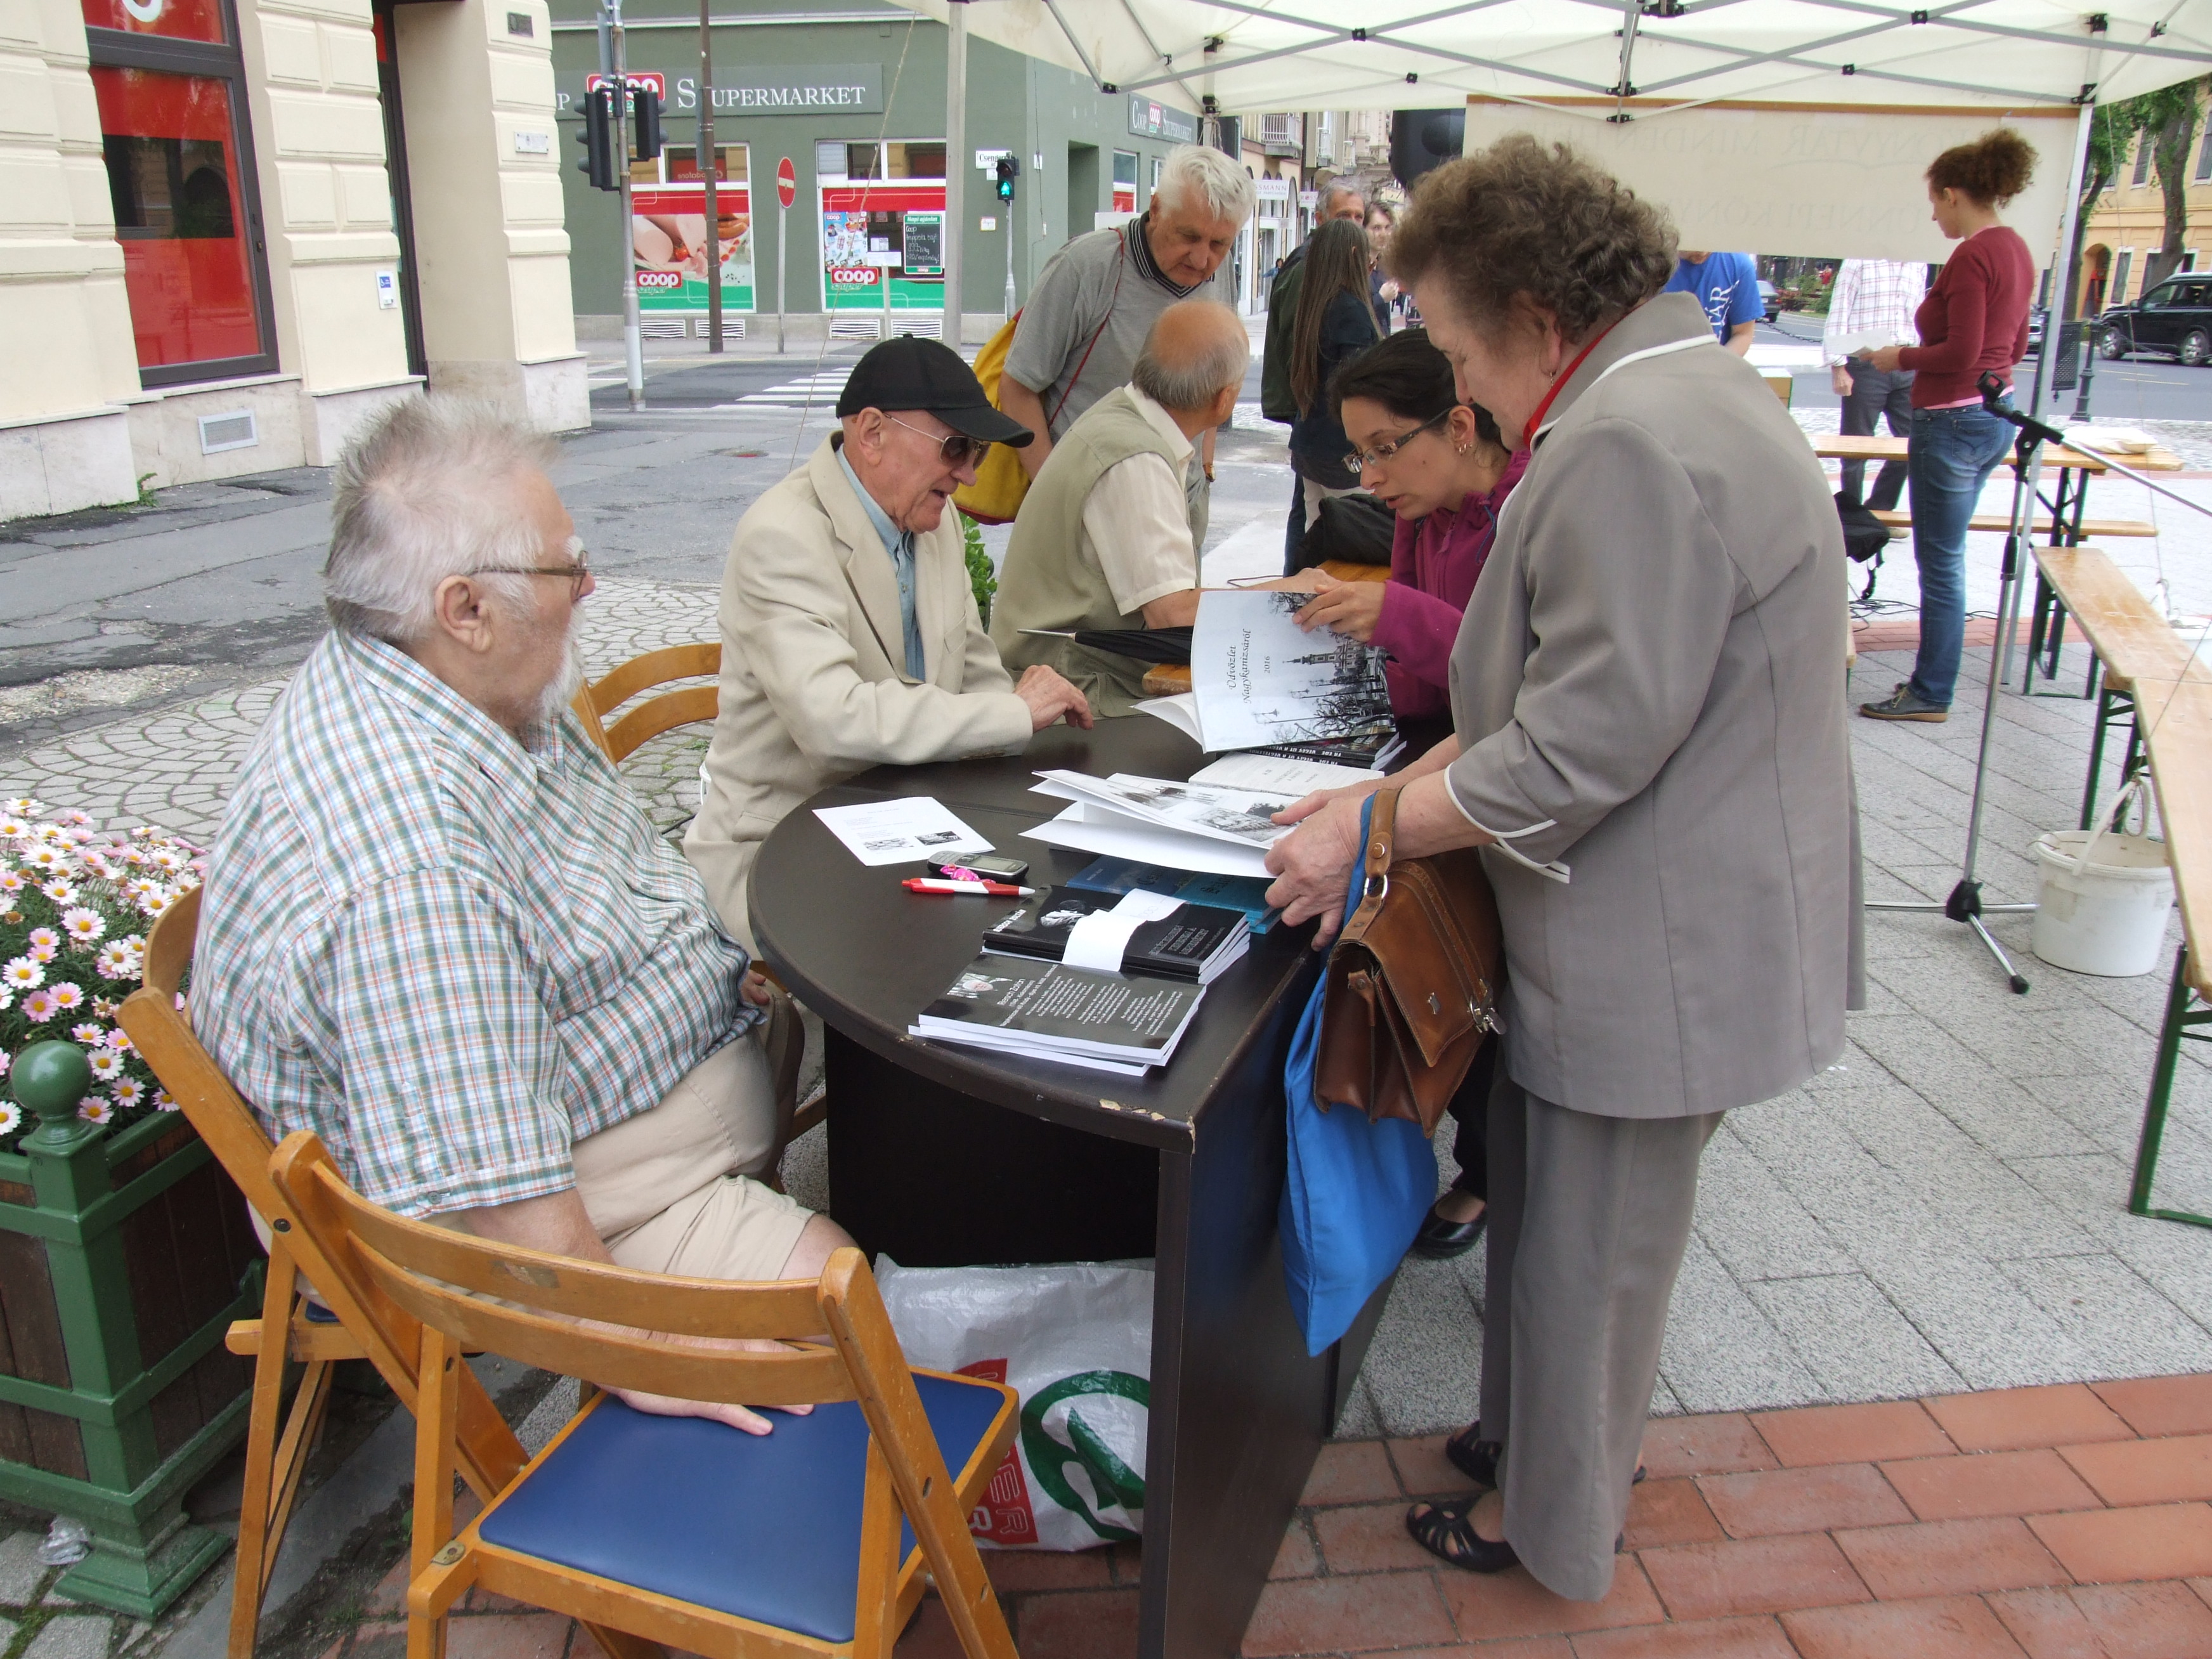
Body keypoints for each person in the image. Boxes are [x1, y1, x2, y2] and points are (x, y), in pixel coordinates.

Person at [1263, 134, 1859, 1602]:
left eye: (1460, 350)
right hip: (1662, 920)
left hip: (1655, 946)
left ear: (1534, 316)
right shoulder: (1683, 388)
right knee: (1558, 1223)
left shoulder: (1624, 439)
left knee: (1594, 1257)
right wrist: (1395, 785)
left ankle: (1552, 1527)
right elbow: (1574, 692)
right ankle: (1530, 1446)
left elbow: (1581, 742)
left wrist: (1374, 827)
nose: (1463, 389)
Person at [195, 396, 856, 1436]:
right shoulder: (411, 863)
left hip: (615, 1108)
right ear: (464, 607)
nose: (589, 587)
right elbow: (501, 1197)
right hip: (541, 1216)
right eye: (566, 567)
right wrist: (638, 1348)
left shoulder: (455, 678)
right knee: (854, 1329)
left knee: (888, 1136)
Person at [687, 337, 1092, 944]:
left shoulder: (936, 520)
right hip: (783, 852)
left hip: (910, 825)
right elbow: (835, 724)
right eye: (956, 448)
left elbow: (975, 672)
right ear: (872, 433)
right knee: (945, 952)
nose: (969, 474)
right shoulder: (783, 536)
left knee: (1046, 919)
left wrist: (1025, 721)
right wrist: (1014, 713)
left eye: (977, 451)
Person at [1292, 325, 1527, 1260]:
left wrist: (1398, 615)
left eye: (1387, 447)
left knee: (1484, 973)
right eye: (1361, 456)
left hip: (1508, 781)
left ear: (1460, 426)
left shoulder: (1527, 509)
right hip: (1437, 753)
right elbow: (1429, 686)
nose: (1373, 476)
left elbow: (1517, 679)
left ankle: (1490, 1171)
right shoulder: (1423, 515)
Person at [1857, 128, 2038, 724]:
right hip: (1993, 414)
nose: (1934, 215)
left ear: (1954, 194)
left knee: (1940, 564)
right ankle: (1933, 684)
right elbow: (2012, 347)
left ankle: (1932, 690)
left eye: (1935, 202)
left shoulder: (1972, 255)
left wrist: (1900, 357)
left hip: (1951, 418)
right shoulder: (2017, 249)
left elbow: (1961, 352)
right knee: (1948, 557)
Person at [990, 301, 1249, 714]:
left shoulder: (1124, 418)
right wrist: (1291, 596)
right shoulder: (1135, 458)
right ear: (1225, 400)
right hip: (1072, 693)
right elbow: (1174, 614)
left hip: (1065, 676)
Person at [999, 145, 1255, 545]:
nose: (1202, 259)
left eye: (1220, 244)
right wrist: (1058, 500)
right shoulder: (1087, 267)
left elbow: (1218, 379)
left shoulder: (1218, 275)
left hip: (1181, 501)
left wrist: (1204, 470)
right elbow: (1017, 388)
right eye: (1189, 236)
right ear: (1157, 208)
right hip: (1090, 508)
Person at [1263, 181, 1369, 562]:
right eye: (1345, 216)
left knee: (1315, 529)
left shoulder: (1318, 301)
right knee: (1346, 536)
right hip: (1338, 442)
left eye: (1359, 217)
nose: (1355, 225)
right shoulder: (1345, 306)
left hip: (1312, 435)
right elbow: (1358, 384)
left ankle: (1301, 589)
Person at [1286, 219, 1384, 546]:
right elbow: (1357, 387)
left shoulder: (1313, 307)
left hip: (1309, 442)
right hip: (1342, 449)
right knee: (1356, 541)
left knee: (1316, 536)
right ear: (1354, 254)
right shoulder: (1352, 310)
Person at [1823, 258, 1928, 510]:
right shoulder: (1859, 261)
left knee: (1913, 441)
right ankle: (1852, 514)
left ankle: (1879, 508)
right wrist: (1838, 366)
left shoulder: (1918, 264)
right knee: (1855, 446)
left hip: (1905, 360)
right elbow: (1839, 311)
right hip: (1866, 362)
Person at [1664, 250, 1760, 354]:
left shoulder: (1738, 264)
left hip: (1717, 358)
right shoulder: (1655, 262)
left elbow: (1743, 333)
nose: (1703, 253)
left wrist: (1717, 363)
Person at [1365, 202, 1401, 323]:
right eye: (1377, 228)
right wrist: (1381, 298)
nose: (1384, 235)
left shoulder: (1382, 266)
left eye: (1387, 228)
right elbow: (1353, 314)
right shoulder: (1355, 267)